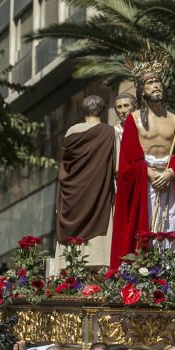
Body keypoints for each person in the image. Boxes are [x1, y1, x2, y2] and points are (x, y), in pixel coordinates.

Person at [110, 54, 175, 268]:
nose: (155, 86)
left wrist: (170, 173)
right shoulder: (133, 119)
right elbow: (129, 156)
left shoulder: (174, 119)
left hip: (168, 179)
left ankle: (167, 268)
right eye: (150, 82)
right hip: (145, 180)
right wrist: (152, 175)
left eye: (157, 81)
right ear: (141, 90)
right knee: (146, 223)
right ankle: (144, 267)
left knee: (168, 223)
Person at [56, 95, 117, 268]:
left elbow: (65, 164)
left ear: (83, 110)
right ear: (103, 110)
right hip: (99, 193)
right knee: (99, 231)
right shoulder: (109, 132)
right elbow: (116, 166)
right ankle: (96, 261)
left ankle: (70, 263)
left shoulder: (72, 132)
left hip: (72, 195)